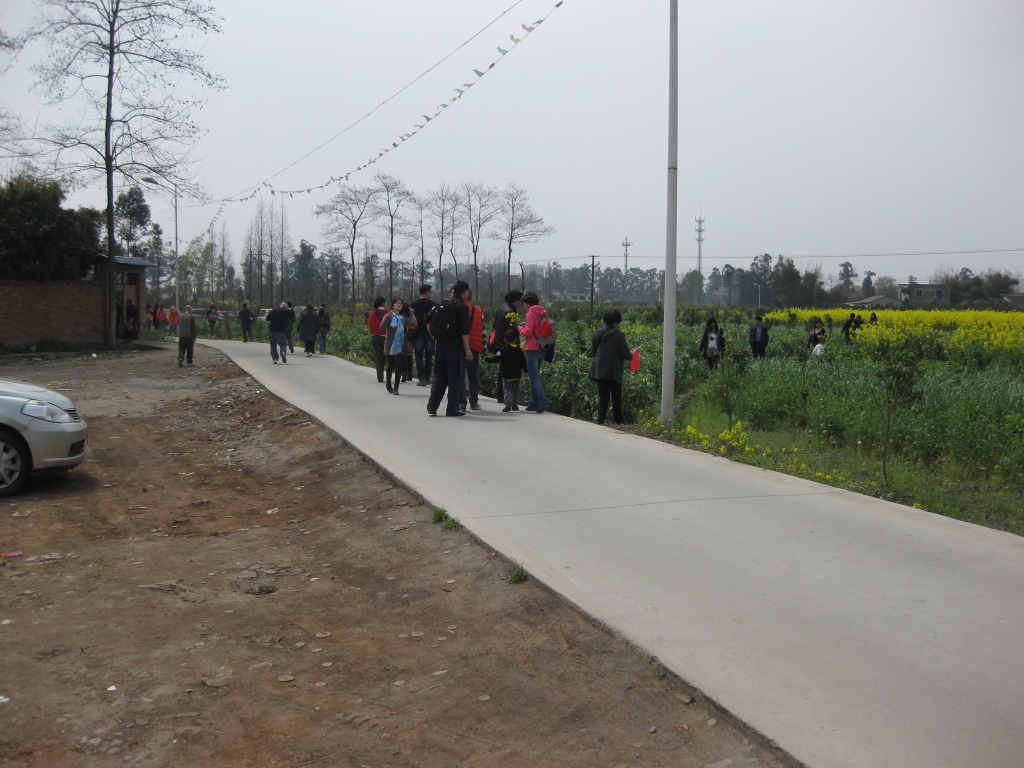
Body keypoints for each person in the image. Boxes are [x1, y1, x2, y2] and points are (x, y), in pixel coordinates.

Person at [426, 280, 472, 417]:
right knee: (454, 378)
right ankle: (452, 408)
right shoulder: (462, 307)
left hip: (440, 344)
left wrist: (434, 336)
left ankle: (432, 405)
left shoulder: (442, 303)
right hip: (455, 346)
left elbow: (426, 319)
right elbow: (465, 330)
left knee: (439, 376)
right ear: (465, 292)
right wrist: (468, 348)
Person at [589, 309, 633, 425]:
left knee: (603, 397)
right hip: (613, 371)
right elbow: (625, 354)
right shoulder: (618, 335)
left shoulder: (597, 333)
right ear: (616, 322)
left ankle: (600, 421)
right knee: (616, 397)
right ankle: (618, 422)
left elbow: (593, 352)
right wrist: (632, 355)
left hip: (599, 371)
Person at [518, 292, 550, 413]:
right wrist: (526, 325)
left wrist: (519, 328)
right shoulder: (543, 312)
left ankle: (543, 402)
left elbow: (528, 332)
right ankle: (533, 403)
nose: (523, 305)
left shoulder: (530, 313)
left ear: (527, 303)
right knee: (534, 377)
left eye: (524, 303)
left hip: (532, 348)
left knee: (534, 377)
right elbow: (538, 328)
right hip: (543, 347)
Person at [490, 289, 523, 402]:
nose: (521, 303)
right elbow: (512, 331)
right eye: (520, 300)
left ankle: (501, 396)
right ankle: (510, 398)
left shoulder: (502, 307)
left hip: (500, 343)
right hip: (508, 345)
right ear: (515, 300)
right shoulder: (510, 312)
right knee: (510, 372)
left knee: (503, 370)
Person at [485, 329, 528, 412]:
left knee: (507, 388)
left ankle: (508, 404)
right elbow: (523, 361)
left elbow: (496, 359)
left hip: (506, 374)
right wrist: (526, 371)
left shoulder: (503, 349)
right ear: (515, 339)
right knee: (515, 388)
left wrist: (486, 359)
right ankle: (515, 404)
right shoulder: (518, 349)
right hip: (517, 374)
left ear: (504, 339)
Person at [459, 290, 485, 412]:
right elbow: (482, 331)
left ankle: (461, 403)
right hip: (474, 347)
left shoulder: (457, 308)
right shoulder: (478, 310)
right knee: (473, 375)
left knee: (460, 375)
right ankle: (474, 402)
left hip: (459, 346)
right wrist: (484, 349)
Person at [410, 284, 435, 386]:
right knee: (429, 355)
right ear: (427, 292)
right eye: (430, 292)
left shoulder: (413, 304)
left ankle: (421, 379)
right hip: (430, 333)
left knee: (419, 355)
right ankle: (428, 378)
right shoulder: (433, 305)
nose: (431, 294)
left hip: (418, 333)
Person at [383, 298, 407, 394]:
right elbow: (382, 327)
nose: (399, 304)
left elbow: (414, 323)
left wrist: (411, 313)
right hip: (390, 344)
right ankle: (389, 385)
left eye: (401, 303)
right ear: (392, 305)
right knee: (391, 365)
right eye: (397, 303)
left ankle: (396, 387)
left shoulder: (403, 318)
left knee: (399, 366)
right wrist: (387, 318)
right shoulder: (389, 316)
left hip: (400, 344)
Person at [368, 296, 389, 383]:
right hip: (386, 337)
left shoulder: (372, 313)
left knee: (378, 356)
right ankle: (386, 373)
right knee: (385, 356)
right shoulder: (388, 313)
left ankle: (380, 376)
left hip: (375, 336)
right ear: (383, 303)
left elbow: (370, 324)